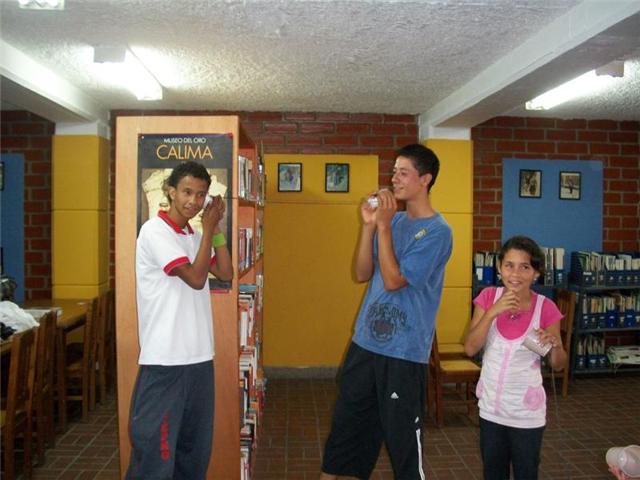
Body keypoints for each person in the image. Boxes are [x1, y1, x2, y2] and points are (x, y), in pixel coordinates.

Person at [320, 144, 453, 480]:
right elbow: (362, 273)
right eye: (394, 172)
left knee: (403, 443)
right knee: (345, 431)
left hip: (403, 352)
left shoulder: (438, 232)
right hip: (365, 343)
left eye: (403, 172)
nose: (394, 179)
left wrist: (384, 227)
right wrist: (369, 226)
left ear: (425, 179)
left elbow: (394, 281)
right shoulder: (392, 221)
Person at [126, 161, 233, 480]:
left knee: (193, 454)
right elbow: (197, 278)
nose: (194, 201)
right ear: (171, 191)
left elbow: (225, 272)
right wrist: (207, 230)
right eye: (187, 192)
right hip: (165, 362)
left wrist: (214, 232)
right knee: (155, 457)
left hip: (199, 359)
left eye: (201, 195)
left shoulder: (195, 235)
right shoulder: (154, 231)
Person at [464, 236, 567, 480]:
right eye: (509, 265)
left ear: (536, 273)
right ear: (499, 267)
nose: (515, 274)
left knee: (526, 472)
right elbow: (470, 348)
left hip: (526, 414)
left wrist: (554, 346)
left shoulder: (545, 307)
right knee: (493, 472)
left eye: (525, 267)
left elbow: (558, 364)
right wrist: (492, 312)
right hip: (491, 409)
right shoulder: (488, 297)